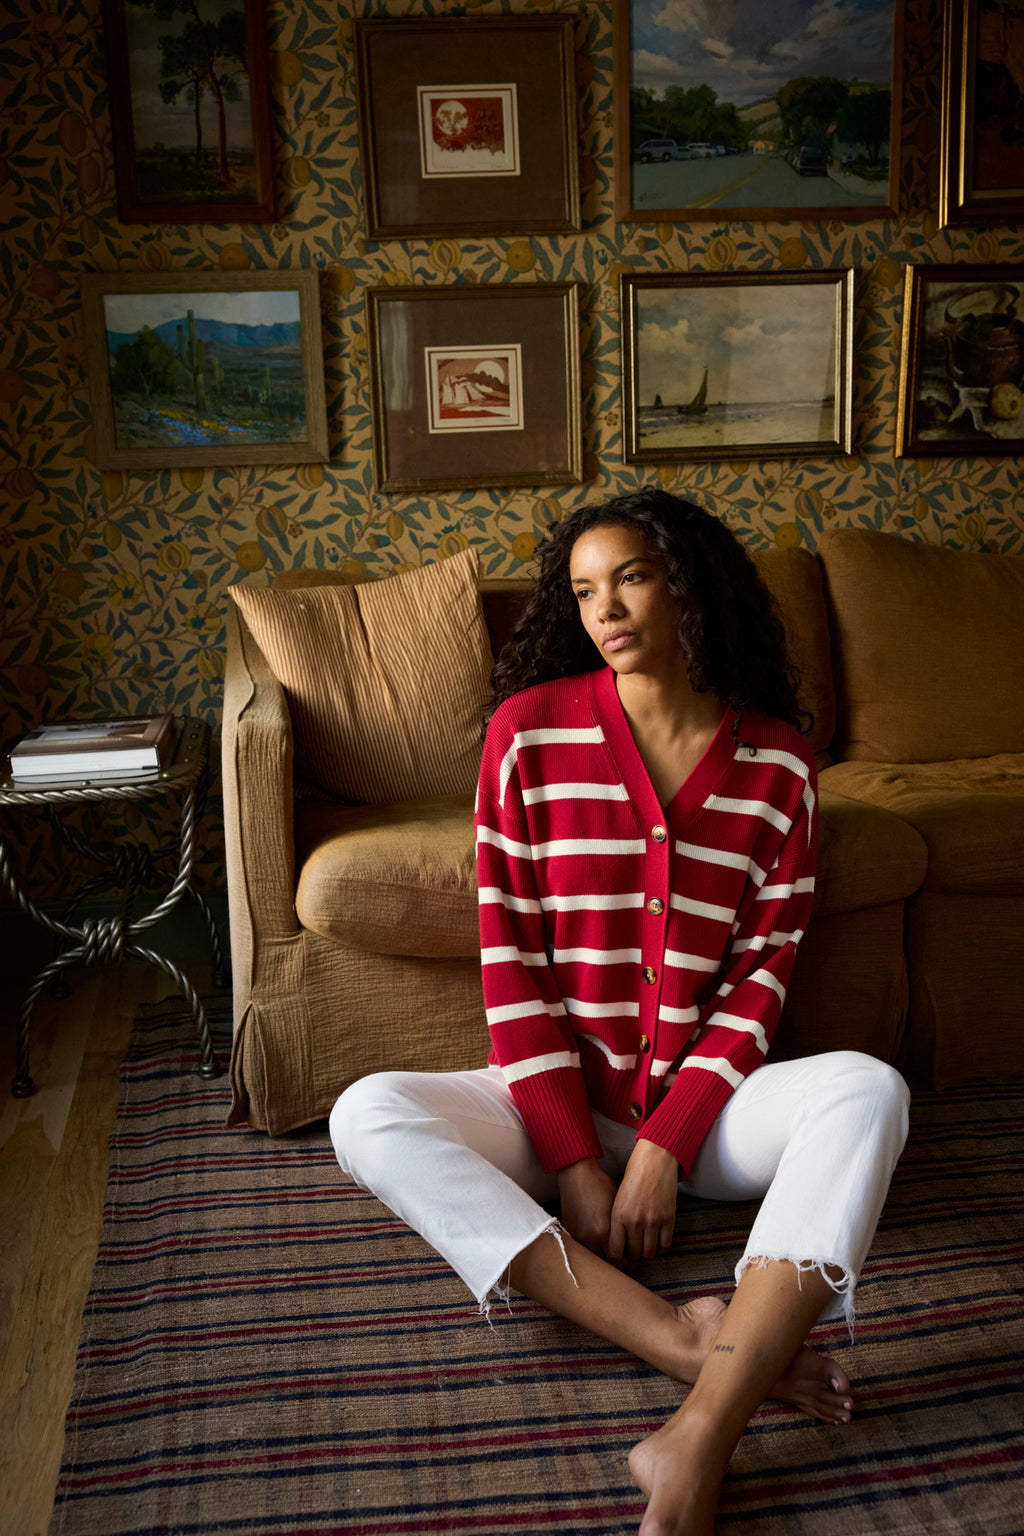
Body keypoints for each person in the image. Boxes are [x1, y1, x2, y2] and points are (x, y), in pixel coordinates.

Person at [330, 488, 910, 1536]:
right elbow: (511, 961)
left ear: (688, 587)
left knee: (869, 1091)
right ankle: (684, 1340)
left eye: (632, 577)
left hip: (707, 1120)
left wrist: (659, 1151)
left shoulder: (776, 764)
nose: (606, 608)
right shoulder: (526, 736)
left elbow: (756, 982)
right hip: (551, 1100)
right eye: (585, 589)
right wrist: (575, 1156)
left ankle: (697, 1434)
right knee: (367, 1112)